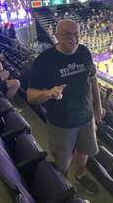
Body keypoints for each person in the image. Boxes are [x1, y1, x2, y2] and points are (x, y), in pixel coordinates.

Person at [27, 20, 102, 194]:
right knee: (62, 162)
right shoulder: (44, 60)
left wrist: (98, 106)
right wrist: (48, 93)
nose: (73, 38)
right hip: (61, 124)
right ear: (57, 36)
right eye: (67, 34)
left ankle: (80, 175)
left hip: (86, 118)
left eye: (76, 33)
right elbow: (30, 96)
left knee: (84, 151)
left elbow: (93, 80)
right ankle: (62, 185)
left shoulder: (85, 52)